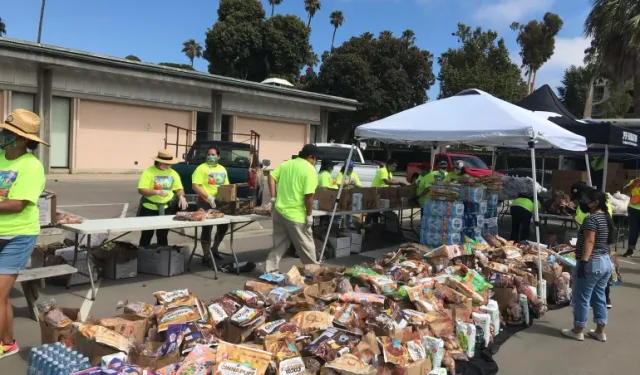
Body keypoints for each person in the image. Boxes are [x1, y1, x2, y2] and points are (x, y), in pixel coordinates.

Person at [0, 109, 47, 358]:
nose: (2, 134)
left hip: (18, 236)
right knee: (2, 295)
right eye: (4, 130)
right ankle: (7, 342)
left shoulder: (31, 166)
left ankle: (7, 343)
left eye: (8, 132)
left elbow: (17, 204)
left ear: (22, 139)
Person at [562, 188, 613, 342]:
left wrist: (584, 261)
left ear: (595, 203)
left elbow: (590, 241)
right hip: (604, 262)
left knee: (581, 297)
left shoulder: (591, 220)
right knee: (599, 297)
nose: (582, 201)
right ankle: (600, 331)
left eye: (586, 199)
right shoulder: (606, 217)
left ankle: (578, 330)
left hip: (592, 262)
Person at [265, 144, 320, 272]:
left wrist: (273, 197)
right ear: (311, 157)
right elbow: (309, 197)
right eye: (315, 159)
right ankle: (314, 273)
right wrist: (309, 215)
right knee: (307, 246)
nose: (315, 162)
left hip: (279, 211)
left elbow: (271, 176)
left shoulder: (287, 164)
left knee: (279, 244)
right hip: (297, 215)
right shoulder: (310, 170)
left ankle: (270, 271)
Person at [136, 150, 188, 248]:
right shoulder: (149, 172)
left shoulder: (173, 173)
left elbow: (179, 188)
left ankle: (162, 258)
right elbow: (141, 190)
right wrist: (156, 192)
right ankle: (143, 257)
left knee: (163, 235)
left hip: (166, 209)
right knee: (147, 235)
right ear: (158, 161)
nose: (168, 166)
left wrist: (181, 196)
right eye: (165, 164)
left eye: (169, 164)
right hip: (149, 208)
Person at [191, 146, 230, 264]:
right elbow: (195, 185)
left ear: (218, 157)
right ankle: (206, 255)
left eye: (213, 155)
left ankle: (215, 249)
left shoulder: (222, 169)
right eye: (209, 154)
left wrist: (229, 197)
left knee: (223, 227)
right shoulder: (201, 168)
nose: (210, 157)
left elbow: (226, 186)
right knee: (207, 229)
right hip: (205, 202)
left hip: (219, 202)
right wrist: (208, 197)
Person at [367, 158, 404, 224]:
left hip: (381, 194)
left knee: (377, 212)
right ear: (389, 165)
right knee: (372, 212)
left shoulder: (389, 173)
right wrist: (399, 183)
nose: (394, 168)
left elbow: (391, 183)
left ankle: (375, 227)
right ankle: (366, 225)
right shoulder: (382, 170)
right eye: (393, 166)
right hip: (374, 193)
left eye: (395, 166)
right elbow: (387, 182)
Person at [337, 161, 361, 228]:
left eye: (351, 168)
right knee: (340, 213)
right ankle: (338, 226)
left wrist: (355, 183)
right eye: (349, 168)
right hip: (342, 196)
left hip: (351, 195)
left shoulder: (354, 174)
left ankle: (349, 225)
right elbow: (338, 184)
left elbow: (359, 185)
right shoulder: (341, 174)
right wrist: (346, 183)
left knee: (349, 212)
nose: (351, 170)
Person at [622, 176, 640, 257]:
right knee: (633, 231)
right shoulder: (635, 181)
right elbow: (625, 190)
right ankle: (630, 250)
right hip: (633, 209)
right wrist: (633, 183)